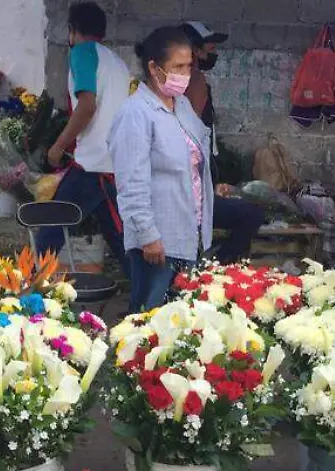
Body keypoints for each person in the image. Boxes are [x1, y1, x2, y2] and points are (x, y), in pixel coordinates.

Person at [110, 27, 213, 312]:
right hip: (156, 243)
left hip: (187, 233)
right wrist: (147, 235)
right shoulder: (136, 113)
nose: (185, 73)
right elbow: (131, 182)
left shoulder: (181, 106)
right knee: (147, 323)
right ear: (154, 67)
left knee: (179, 324)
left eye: (189, 65)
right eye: (177, 67)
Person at [39, 2, 132, 277]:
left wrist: (57, 146)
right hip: (113, 163)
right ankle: (154, 296)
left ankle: (33, 296)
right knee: (121, 238)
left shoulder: (81, 52)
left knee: (50, 230)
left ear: (72, 30)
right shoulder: (116, 63)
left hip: (92, 164)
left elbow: (87, 105)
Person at [180, 20, 265, 264]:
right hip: (190, 193)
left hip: (194, 187)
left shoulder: (190, 81)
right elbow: (191, 135)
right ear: (193, 49)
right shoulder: (194, 80)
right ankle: (219, 263)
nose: (213, 53)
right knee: (252, 215)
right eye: (209, 48)